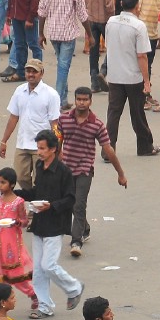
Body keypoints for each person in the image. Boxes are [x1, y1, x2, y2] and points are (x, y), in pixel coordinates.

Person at [13, 128, 83, 319]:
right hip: (40, 223)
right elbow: (36, 192)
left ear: (53, 149)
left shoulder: (64, 172)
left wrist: (51, 206)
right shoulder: (40, 167)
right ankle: (45, 306)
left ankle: (74, 287)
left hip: (55, 224)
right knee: (38, 269)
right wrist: (16, 193)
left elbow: (70, 199)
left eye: (43, 148)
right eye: (38, 148)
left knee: (48, 265)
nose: (40, 152)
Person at [59, 86, 126, 257]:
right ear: (75, 100)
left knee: (79, 204)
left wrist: (120, 173)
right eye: (79, 99)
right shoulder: (64, 119)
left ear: (90, 101)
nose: (81, 103)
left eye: (85, 99)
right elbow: (57, 144)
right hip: (66, 170)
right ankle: (85, 227)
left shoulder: (97, 124)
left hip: (85, 170)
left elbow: (108, 149)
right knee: (70, 203)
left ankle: (76, 242)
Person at [105, 0, 160, 156]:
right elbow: (142, 56)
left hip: (115, 76)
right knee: (137, 114)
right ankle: (144, 147)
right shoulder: (138, 26)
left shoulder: (111, 22)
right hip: (133, 77)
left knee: (113, 114)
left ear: (121, 4)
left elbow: (109, 46)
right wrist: (146, 81)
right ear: (138, 6)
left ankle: (108, 150)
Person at [0, 174, 39, 311]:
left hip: (10, 243)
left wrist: (16, 222)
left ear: (12, 184)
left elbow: (24, 222)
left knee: (14, 275)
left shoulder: (18, 202)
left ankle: (33, 294)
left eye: (3, 182)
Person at [0, 60, 61, 189]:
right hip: (22, 144)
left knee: (39, 181)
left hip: (41, 147)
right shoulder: (19, 91)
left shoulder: (51, 95)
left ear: (41, 73)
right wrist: (4, 141)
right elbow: (13, 117)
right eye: (28, 71)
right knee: (20, 177)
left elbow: (55, 124)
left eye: (34, 72)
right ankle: (34, 198)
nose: (31, 74)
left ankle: (36, 204)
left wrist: (58, 149)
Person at [39, 0, 89, 107]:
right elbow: (82, 13)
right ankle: (58, 101)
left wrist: (40, 33)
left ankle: (64, 99)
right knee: (63, 67)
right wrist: (90, 34)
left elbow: (42, 11)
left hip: (53, 32)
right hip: (68, 33)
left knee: (62, 64)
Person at [79, 0, 115, 93]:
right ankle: (104, 71)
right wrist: (112, 18)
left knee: (93, 52)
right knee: (113, 49)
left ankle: (94, 83)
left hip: (89, 20)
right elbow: (109, 4)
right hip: (104, 20)